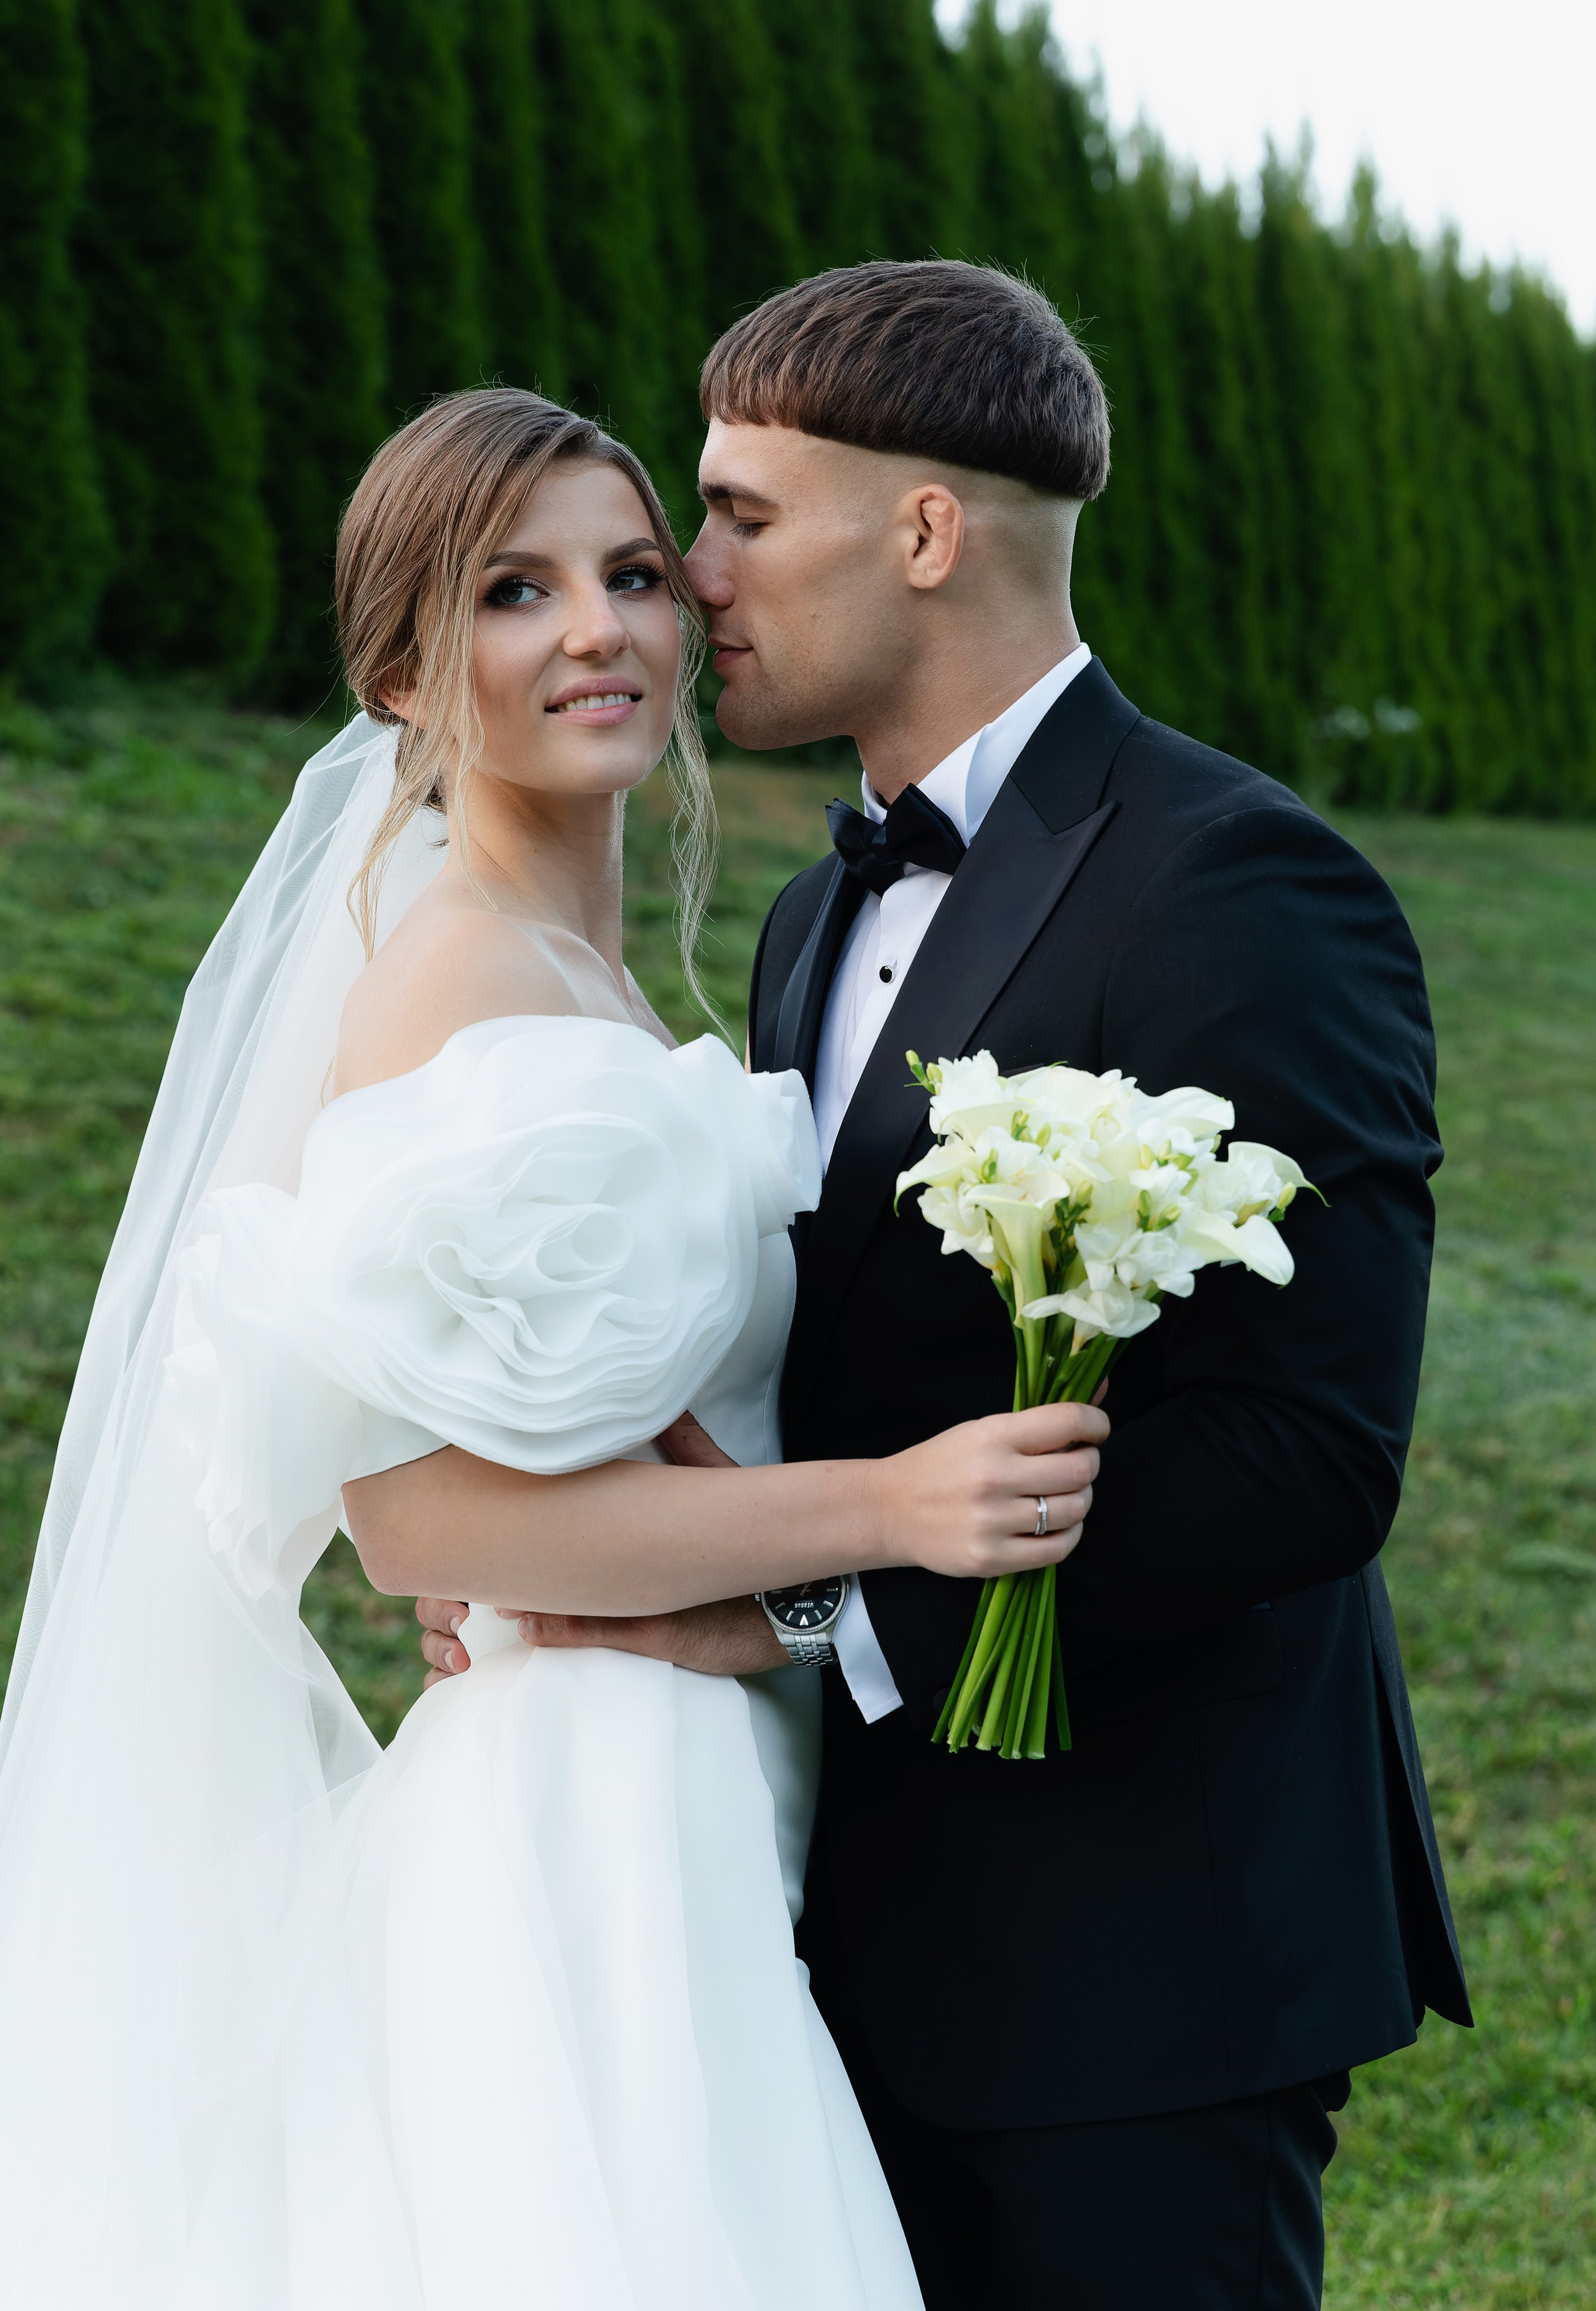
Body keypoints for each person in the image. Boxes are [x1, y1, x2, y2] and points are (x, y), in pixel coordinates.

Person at [421, 261, 1472, 2310]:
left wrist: (814, 1609)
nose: (689, 577)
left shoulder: (1240, 881)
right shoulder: (817, 917)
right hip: (843, 1938)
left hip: (1145, 1955)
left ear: (922, 532)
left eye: (739, 517)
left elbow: (1306, 1454)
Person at [0, 387, 1102, 2308]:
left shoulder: (607, 970)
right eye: (517, 592)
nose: (597, 629)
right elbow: (424, 1519)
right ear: (408, 670)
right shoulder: (456, 980)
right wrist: (900, 1507)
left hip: (705, 1762)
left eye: (630, 574)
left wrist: (777, 1551)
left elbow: (611, 1436)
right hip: (592, 1809)